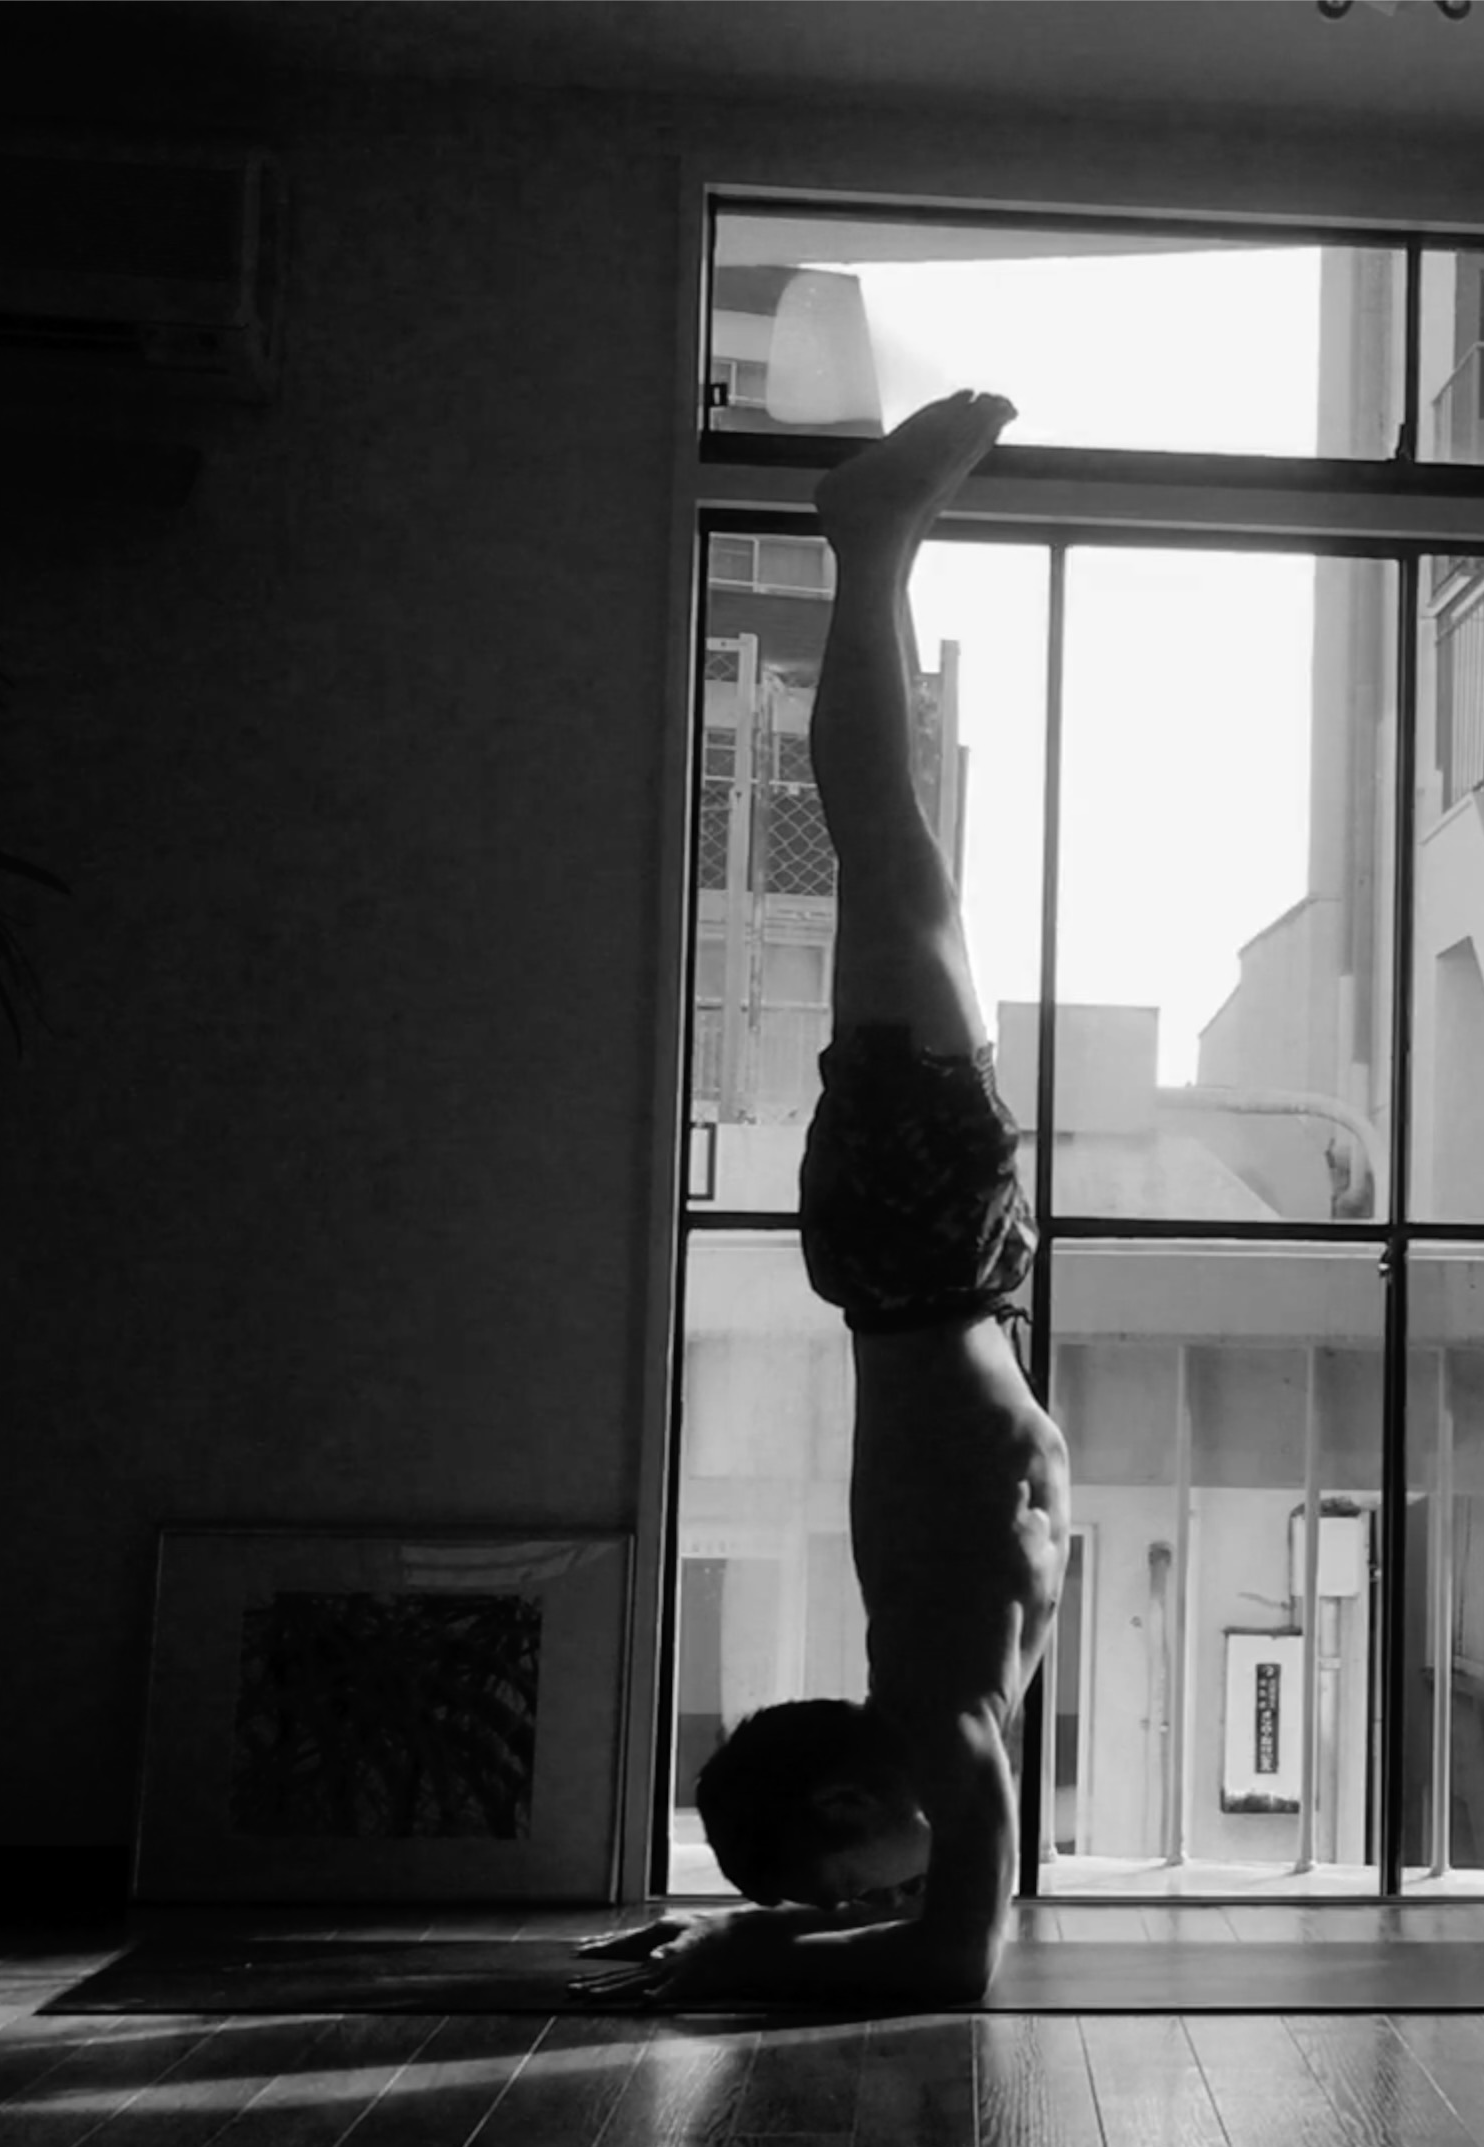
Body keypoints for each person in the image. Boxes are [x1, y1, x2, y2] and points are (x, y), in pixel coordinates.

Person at [580, 390, 1065, 2008]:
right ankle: (879, 551)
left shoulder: (946, 1719)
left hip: (924, 1253)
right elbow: (936, 1937)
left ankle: (869, 546)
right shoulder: (933, 1704)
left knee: (887, 849)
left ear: (852, 1810)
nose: (866, 1901)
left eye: (831, 1884)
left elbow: (952, 1962)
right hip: (928, 1259)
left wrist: (741, 1942)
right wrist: (754, 1929)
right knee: (898, 858)